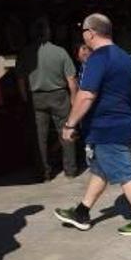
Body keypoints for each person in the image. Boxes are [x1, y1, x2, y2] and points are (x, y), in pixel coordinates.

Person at [54, 13, 131, 236]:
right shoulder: (124, 57)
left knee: (123, 171)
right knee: (101, 170)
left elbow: (86, 95)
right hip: (122, 121)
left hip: (107, 125)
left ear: (90, 33)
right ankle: (82, 212)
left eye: (83, 32)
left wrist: (70, 124)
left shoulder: (98, 58)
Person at [16, 18, 79, 181]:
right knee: (66, 131)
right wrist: (73, 100)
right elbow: (72, 80)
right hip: (59, 95)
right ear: (48, 32)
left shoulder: (25, 52)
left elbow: (21, 80)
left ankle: (44, 173)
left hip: (36, 97)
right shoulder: (60, 52)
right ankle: (70, 170)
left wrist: (25, 99)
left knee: (39, 137)